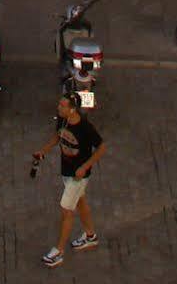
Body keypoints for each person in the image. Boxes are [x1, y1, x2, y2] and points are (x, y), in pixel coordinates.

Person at [31, 92, 105, 267]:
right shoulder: (63, 120)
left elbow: (102, 148)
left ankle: (59, 251)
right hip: (67, 171)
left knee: (66, 210)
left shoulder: (85, 128)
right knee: (80, 201)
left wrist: (84, 167)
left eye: (62, 106)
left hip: (78, 177)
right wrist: (44, 151)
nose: (59, 107)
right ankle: (89, 235)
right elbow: (58, 136)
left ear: (72, 110)